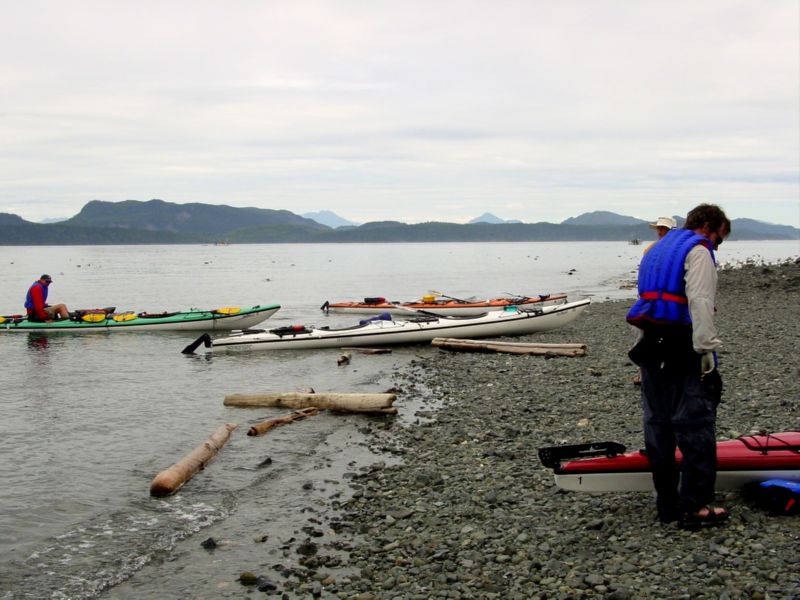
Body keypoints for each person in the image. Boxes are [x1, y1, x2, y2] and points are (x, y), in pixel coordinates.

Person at [626, 204, 731, 526]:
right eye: (719, 239)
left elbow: (646, 300)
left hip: (650, 345)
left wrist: (638, 349)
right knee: (694, 424)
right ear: (709, 227)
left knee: (657, 425)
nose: (717, 246)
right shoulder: (698, 252)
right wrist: (706, 351)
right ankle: (696, 506)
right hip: (682, 344)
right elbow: (700, 301)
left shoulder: (656, 250)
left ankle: (667, 505)